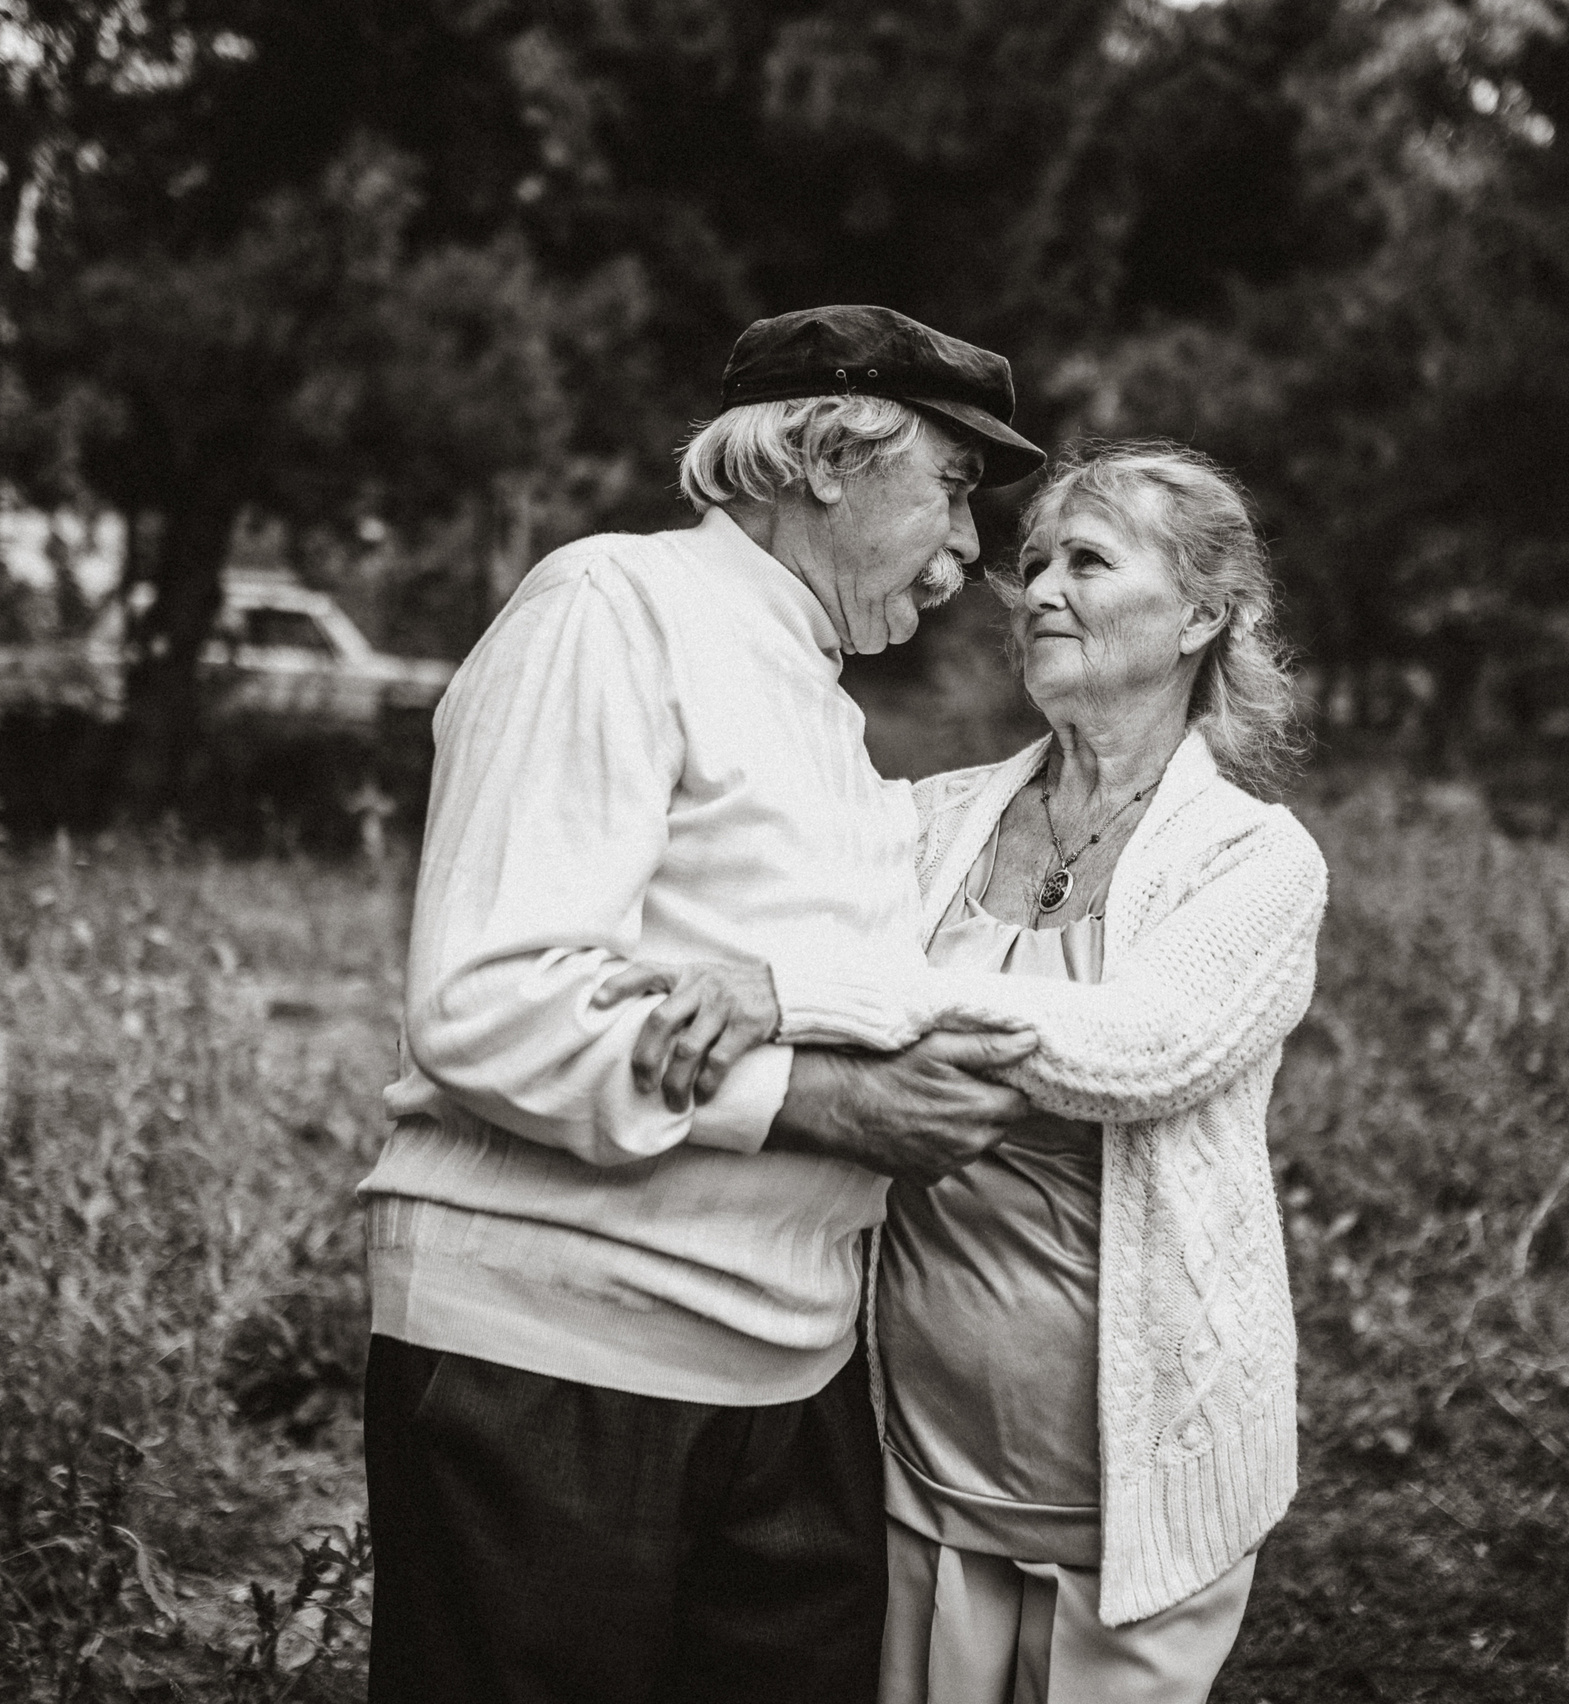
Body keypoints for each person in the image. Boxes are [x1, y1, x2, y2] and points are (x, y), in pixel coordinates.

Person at [358, 304, 1052, 1704]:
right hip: (555, 1366)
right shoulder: (610, 609)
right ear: (823, 456)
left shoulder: (822, 705)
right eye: (956, 486)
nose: (974, 554)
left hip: (788, 1383)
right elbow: (491, 1005)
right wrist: (834, 1105)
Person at [612, 440, 1328, 1704]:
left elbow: (1144, 1048)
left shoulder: (1254, 861)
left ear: (1202, 617)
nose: (1038, 589)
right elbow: (767, 951)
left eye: (1089, 563)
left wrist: (809, 994)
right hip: (910, 1470)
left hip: (1135, 1494)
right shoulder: (929, 822)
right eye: (1034, 562)